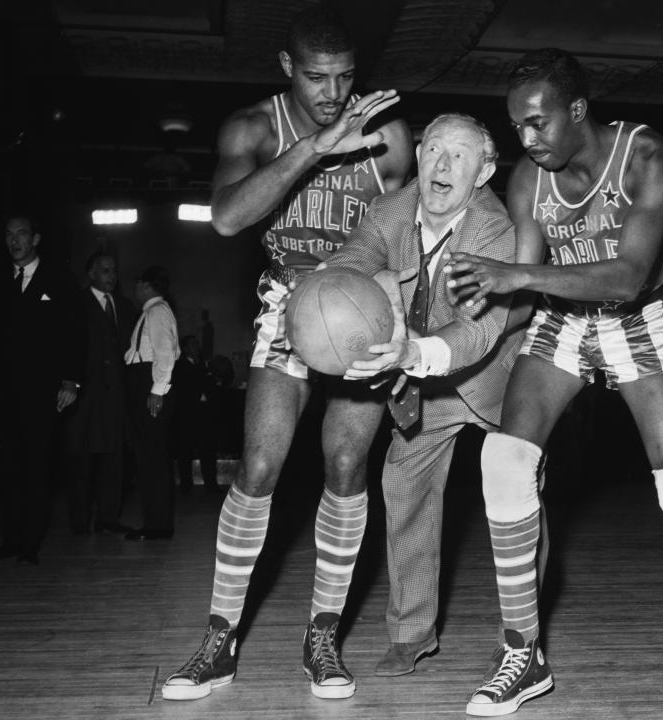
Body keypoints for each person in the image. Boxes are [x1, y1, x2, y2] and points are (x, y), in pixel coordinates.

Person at [444, 48, 663, 717]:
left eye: (539, 123)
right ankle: (522, 654)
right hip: (561, 323)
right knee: (504, 460)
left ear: (578, 109)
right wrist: (440, 336)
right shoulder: (527, 184)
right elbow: (520, 289)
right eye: (518, 129)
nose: (528, 139)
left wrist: (516, 276)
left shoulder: (650, 157)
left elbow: (628, 277)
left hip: (636, 322)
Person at [161, 6, 411, 702]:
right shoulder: (253, 127)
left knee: (343, 460)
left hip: (363, 305)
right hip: (286, 306)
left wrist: (407, 337)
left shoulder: (387, 132)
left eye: (345, 77)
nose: (333, 92)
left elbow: (410, 235)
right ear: (286, 68)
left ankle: (323, 634)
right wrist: (318, 147)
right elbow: (227, 217)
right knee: (261, 464)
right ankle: (219, 639)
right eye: (316, 77)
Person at [324, 112, 526, 681]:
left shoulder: (493, 228)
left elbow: (480, 329)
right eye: (433, 148)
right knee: (403, 486)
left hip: (496, 377)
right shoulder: (390, 209)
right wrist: (375, 280)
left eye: (458, 156)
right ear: (417, 154)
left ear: (483, 171)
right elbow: (352, 257)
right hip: (429, 390)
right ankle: (411, 637)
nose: (441, 165)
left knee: (517, 501)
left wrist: (413, 355)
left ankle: (522, 638)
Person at [0, 212, 84, 565]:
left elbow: (75, 332)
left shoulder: (59, 278)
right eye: (9, 234)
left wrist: (71, 380)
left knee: (37, 467)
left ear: (36, 239)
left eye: (22, 233)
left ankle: (31, 544)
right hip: (2, 396)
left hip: (45, 394)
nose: (15, 240)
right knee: (10, 468)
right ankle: (10, 540)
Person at [64, 251, 135, 536]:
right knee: (82, 462)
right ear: (91, 273)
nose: (111, 275)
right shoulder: (76, 304)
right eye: (105, 270)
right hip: (86, 398)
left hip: (116, 399)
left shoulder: (125, 306)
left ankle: (108, 519)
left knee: (113, 461)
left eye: (114, 270)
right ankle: (79, 522)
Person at [124, 266, 180, 541]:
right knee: (147, 457)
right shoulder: (152, 312)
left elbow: (165, 353)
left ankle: (158, 525)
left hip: (150, 384)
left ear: (146, 285)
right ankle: (154, 522)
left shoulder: (157, 312)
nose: (135, 291)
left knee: (153, 458)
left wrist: (157, 390)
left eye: (137, 285)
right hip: (143, 382)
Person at [172, 334, 220, 495]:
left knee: (208, 451)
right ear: (185, 348)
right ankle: (186, 485)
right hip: (188, 415)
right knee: (185, 451)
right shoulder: (179, 366)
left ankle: (211, 485)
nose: (196, 347)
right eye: (193, 344)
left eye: (197, 344)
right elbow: (182, 388)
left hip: (204, 414)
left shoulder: (203, 365)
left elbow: (211, 384)